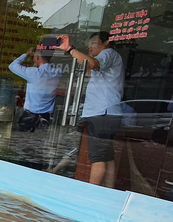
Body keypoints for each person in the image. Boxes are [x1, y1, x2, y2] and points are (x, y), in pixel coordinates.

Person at [57, 31, 125, 188]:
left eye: (94, 43)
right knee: (107, 156)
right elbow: (90, 66)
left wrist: (69, 49)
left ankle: (92, 193)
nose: (89, 46)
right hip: (108, 113)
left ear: (106, 42)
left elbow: (92, 64)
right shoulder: (112, 57)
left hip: (102, 113)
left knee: (97, 157)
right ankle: (109, 192)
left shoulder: (108, 54)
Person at [8, 47, 62, 131]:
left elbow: (12, 66)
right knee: (41, 142)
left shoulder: (34, 73)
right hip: (46, 116)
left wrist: (26, 54)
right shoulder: (57, 72)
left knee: (23, 141)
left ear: (37, 57)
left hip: (30, 116)